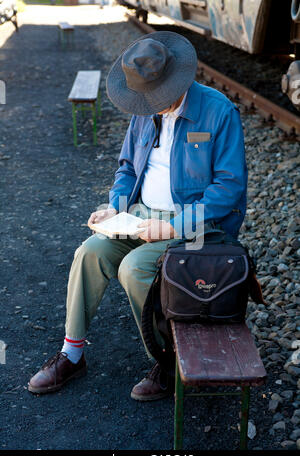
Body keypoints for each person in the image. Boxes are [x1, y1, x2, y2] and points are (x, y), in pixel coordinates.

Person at [28, 31, 247, 400]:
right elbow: (127, 167)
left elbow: (228, 189)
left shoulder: (219, 111)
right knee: (89, 254)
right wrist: (115, 204)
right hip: (140, 216)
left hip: (196, 226)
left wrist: (173, 226)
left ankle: (165, 358)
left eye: (156, 97)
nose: (150, 105)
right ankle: (72, 353)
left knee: (134, 269)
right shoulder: (145, 111)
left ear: (176, 80)